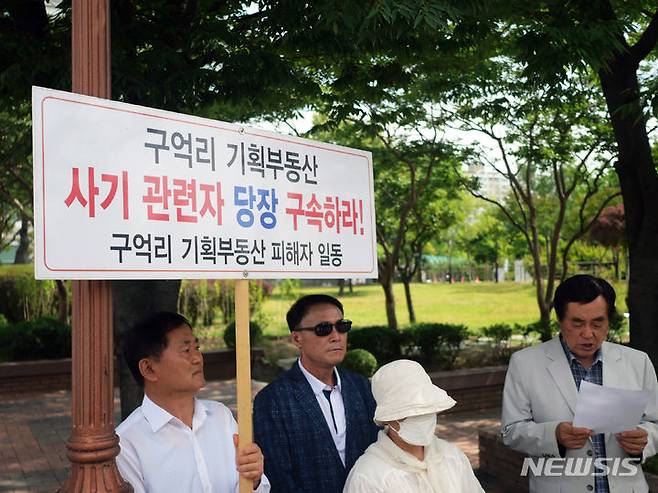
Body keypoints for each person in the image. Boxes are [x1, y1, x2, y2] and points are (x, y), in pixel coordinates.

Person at [501, 274, 658, 492]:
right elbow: (511, 431)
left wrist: (644, 440)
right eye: (577, 323)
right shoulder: (525, 364)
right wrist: (553, 435)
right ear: (560, 319)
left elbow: (654, 422)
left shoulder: (637, 362)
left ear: (609, 320)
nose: (588, 334)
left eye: (597, 323)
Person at [115, 311, 270, 493]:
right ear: (149, 369)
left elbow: (252, 486)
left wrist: (253, 479)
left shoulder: (221, 416)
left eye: (197, 348)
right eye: (186, 350)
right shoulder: (126, 443)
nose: (197, 358)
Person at [253, 294, 380, 493]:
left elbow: (379, 453)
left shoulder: (362, 387)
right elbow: (279, 478)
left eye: (342, 326)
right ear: (297, 338)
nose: (336, 336)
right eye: (323, 329)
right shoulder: (272, 401)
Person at [343, 359, 484, 493]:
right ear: (387, 419)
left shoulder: (452, 457)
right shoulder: (369, 477)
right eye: (407, 413)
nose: (419, 417)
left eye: (425, 410)